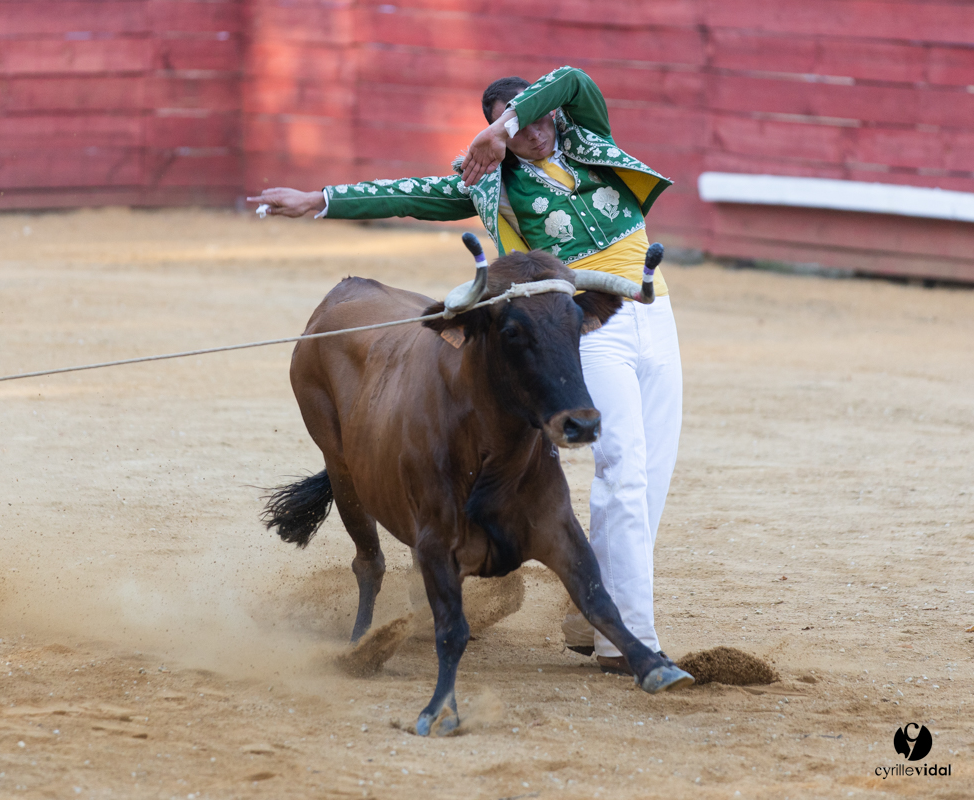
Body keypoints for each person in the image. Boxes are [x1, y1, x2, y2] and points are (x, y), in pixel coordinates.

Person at [247, 66, 682, 675]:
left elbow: (576, 79)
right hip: (578, 321)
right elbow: (407, 194)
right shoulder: (490, 184)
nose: (534, 132)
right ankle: (625, 639)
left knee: (652, 472)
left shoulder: (588, 141)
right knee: (624, 474)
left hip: (651, 306)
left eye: (537, 117)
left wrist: (500, 126)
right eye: (515, 125)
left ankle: (590, 613)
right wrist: (319, 200)